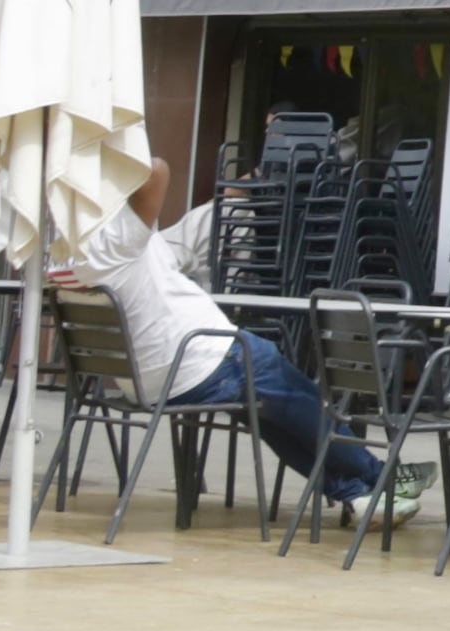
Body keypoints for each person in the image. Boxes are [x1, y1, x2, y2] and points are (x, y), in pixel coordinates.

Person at [71, 197, 417, 522]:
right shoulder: (119, 242)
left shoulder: (67, 258)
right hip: (201, 364)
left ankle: (356, 494)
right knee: (289, 394)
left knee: (266, 411)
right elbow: (157, 170)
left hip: (148, 379)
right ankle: (381, 475)